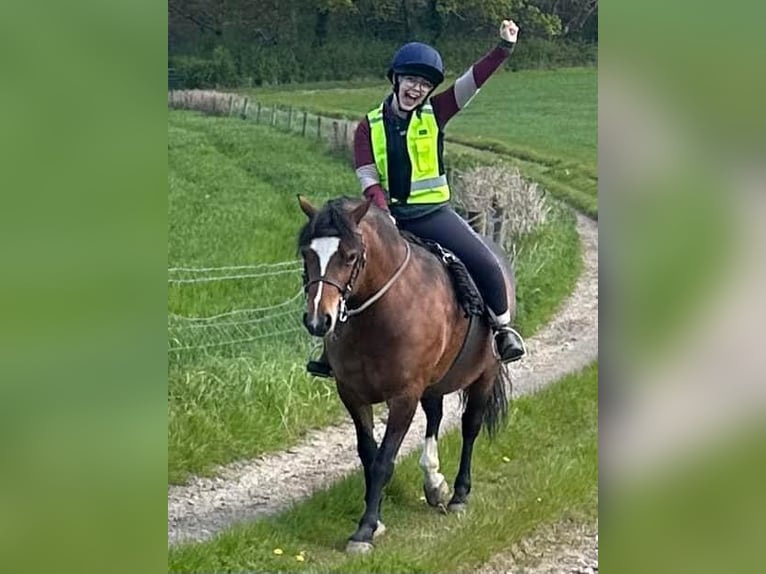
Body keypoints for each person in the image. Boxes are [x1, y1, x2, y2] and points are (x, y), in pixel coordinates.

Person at [307, 19, 526, 378]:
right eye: (411, 80)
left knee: (485, 263)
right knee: (342, 269)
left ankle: (502, 331)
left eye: (424, 84)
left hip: (433, 215)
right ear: (397, 80)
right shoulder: (369, 126)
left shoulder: (435, 113)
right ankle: (331, 349)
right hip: (385, 217)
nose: (417, 89)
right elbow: (367, 175)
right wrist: (381, 211)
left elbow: (471, 83)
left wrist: (503, 48)